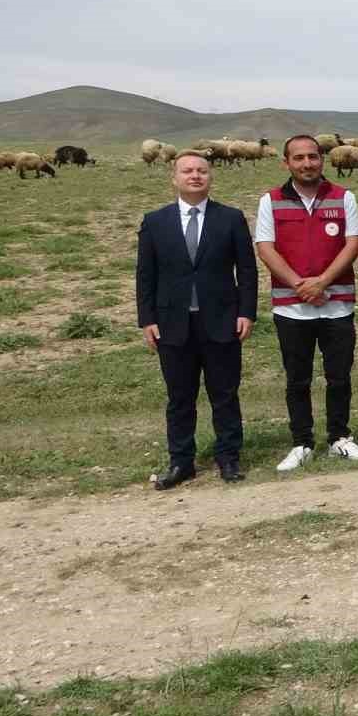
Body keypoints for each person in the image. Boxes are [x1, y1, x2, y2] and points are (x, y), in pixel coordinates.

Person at [136, 152, 258, 490]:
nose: (195, 176)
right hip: (172, 324)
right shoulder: (154, 221)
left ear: (210, 177)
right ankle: (181, 462)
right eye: (187, 171)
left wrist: (246, 311)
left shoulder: (231, 218)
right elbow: (145, 275)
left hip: (221, 320)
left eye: (201, 171)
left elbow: (246, 270)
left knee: (225, 393)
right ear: (173, 178)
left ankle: (229, 458)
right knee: (179, 397)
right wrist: (146, 319)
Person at [256, 135, 358, 472]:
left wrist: (322, 282)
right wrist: (299, 285)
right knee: (298, 379)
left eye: (312, 157)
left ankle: (340, 437)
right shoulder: (271, 200)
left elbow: (353, 244)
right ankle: (302, 442)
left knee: (339, 376)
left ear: (322, 159)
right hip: (290, 307)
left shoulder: (343, 196)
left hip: (337, 304)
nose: (307, 164)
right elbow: (265, 247)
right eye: (299, 158)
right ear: (286, 163)